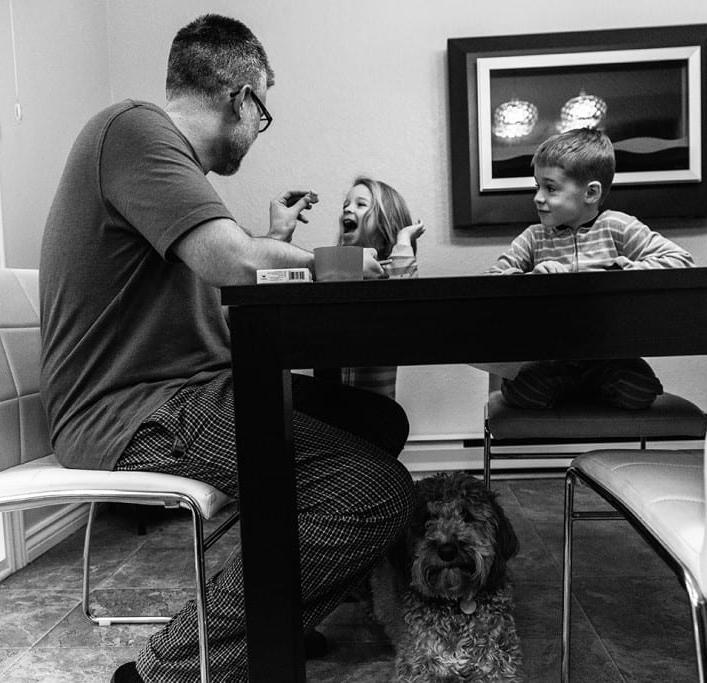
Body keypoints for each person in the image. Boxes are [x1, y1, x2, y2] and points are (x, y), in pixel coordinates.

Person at [38, 14, 415, 683]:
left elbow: (223, 277)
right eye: (263, 110)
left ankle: (272, 613)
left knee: (378, 421)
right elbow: (235, 263)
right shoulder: (132, 129)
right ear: (243, 96)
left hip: (186, 391)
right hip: (136, 410)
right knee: (377, 492)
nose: (257, 128)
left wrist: (266, 240)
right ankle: (163, 670)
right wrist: (338, 263)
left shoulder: (164, 168)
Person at [486, 127, 695, 411]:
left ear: (591, 193)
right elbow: (492, 281)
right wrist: (530, 279)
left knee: (640, 391)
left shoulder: (618, 226)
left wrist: (626, 270)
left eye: (550, 188)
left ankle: (589, 389)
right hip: (552, 357)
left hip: (611, 355)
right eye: (537, 187)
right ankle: (573, 389)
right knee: (523, 391)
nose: (538, 197)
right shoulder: (534, 237)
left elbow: (681, 261)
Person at [337, 176, 425, 397]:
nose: (348, 209)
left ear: (385, 225)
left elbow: (405, 297)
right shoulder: (336, 271)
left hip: (377, 404)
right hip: (334, 403)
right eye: (345, 204)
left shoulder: (387, 274)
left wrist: (402, 240)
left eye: (360, 204)